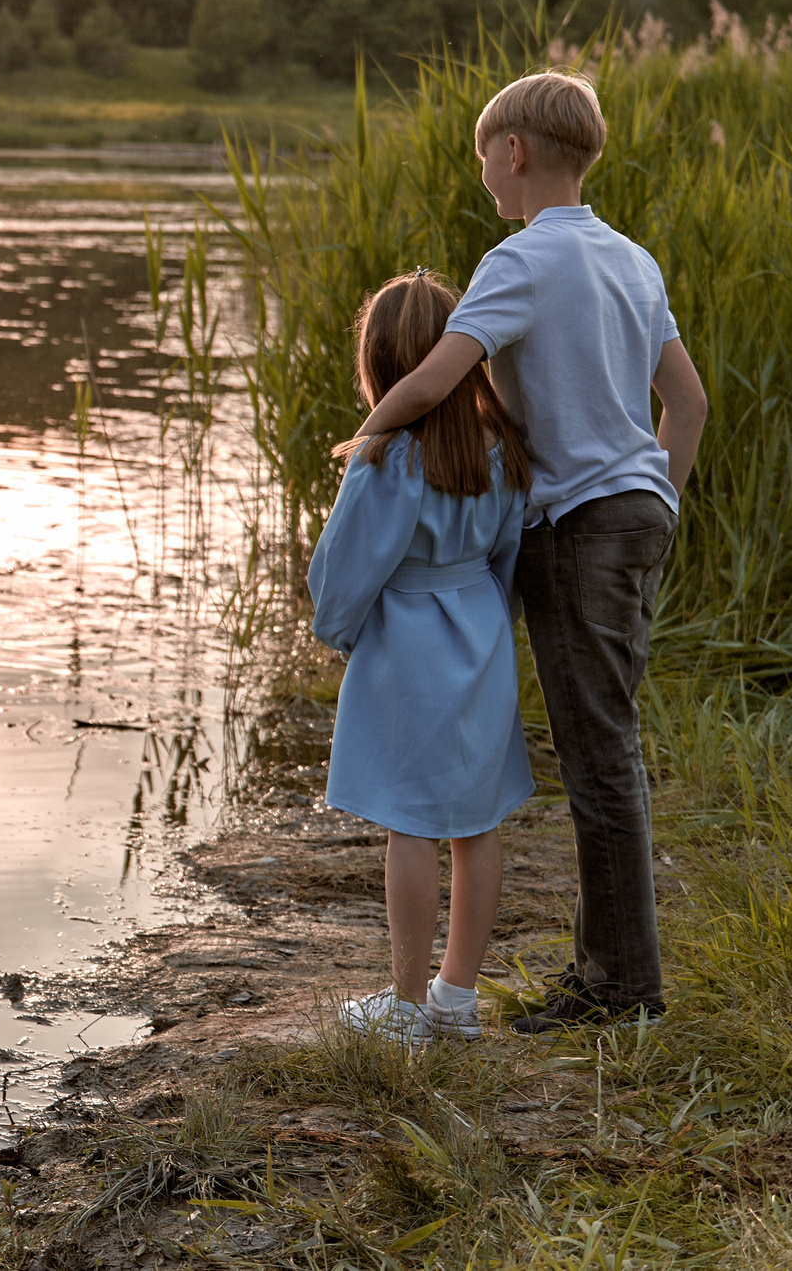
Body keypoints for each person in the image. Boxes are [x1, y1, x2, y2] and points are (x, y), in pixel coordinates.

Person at [353, 71, 707, 1034]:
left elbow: (435, 377)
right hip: (636, 513)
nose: (482, 180)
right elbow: (690, 405)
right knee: (608, 745)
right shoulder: (632, 260)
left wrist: (367, 438)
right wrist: (658, 503)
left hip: (580, 528)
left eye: (482, 159)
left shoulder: (517, 261)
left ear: (514, 151)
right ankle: (610, 970)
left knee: (599, 760)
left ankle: (621, 988)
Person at [310, 272, 534, 1046]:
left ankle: (405, 1003)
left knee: (410, 824)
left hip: (406, 642)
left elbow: (347, 565)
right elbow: (512, 558)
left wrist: (338, 630)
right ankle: (456, 997)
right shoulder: (501, 451)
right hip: (479, 634)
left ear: (376, 362)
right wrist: (490, 619)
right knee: (476, 822)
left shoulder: (386, 458)